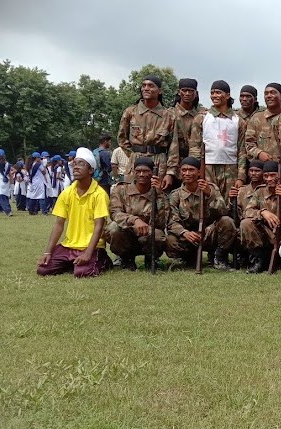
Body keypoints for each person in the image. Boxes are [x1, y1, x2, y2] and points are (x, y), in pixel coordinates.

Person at [37, 147, 112, 278]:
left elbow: (99, 226)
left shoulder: (99, 194)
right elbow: (59, 224)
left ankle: (103, 260)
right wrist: (47, 253)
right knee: (43, 270)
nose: (76, 167)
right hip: (69, 246)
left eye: (81, 164)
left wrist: (88, 253)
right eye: (75, 164)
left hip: (91, 246)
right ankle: (73, 262)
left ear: (91, 170)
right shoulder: (67, 193)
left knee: (82, 273)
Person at [166, 157, 237, 270]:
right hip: (188, 236)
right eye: (184, 170)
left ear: (199, 172)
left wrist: (209, 194)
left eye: (191, 170)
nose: (187, 173)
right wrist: (184, 233)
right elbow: (171, 221)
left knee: (227, 222)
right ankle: (185, 258)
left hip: (208, 233)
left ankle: (220, 257)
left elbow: (223, 211)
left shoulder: (211, 188)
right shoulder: (176, 195)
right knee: (171, 239)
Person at [116, 75, 179, 190]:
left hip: (159, 163)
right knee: (132, 195)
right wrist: (134, 155)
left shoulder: (169, 116)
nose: (146, 88)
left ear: (159, 91)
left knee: (158, 197)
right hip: (136, 162)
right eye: (144, 85)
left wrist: (170, 173)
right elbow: (122, 138)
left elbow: (173, 147)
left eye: (151, 86)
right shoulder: (130, 112)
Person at [105, 157, 169, 270]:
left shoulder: (159, 194)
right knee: (113, 228)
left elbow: (162, 222)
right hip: (127, 233)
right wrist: (134, 220)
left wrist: (159, 195)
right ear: (133, 172)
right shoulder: (120, 190)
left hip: (147, 235)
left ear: (153, 173)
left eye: (145, 171)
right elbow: (115, 213)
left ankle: (151, 259)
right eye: (138, 171)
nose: (141, 174)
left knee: (158, 235)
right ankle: (126, 259)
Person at [188, 80, 248, 200]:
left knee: (230, 203)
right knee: (208, 201)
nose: (214, 96)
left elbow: (242, 150)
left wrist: (241, 176)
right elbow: (195, 147)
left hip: (231, 168)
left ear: (227, 95)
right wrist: (197, 171)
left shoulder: (238, 121)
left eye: (218, 92)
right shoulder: (202, 118)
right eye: (212, 93)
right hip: (207, 167)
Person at [239, 160, 281, 273]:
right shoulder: (260, 191)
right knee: (246, 223)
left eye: (273, 175)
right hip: (266, 232)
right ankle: (259, 261)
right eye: (266, 176)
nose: (269, 179)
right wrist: (262, 212)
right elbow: (247, 211)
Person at [245, 83, 281, 163]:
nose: (269, 96)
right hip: (264, 169)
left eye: (273, 93)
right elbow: (248, 143)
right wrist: (259, 153)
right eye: (266, 94)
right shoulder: (256, 118)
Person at [171, 78, 205, 166]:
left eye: (190, 91)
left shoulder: (202, 116)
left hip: (196, 163)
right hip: (174, 162)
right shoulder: (169, 114)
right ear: (179, 92)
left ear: (196, 93)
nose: (187, 94)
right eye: (184, 90)